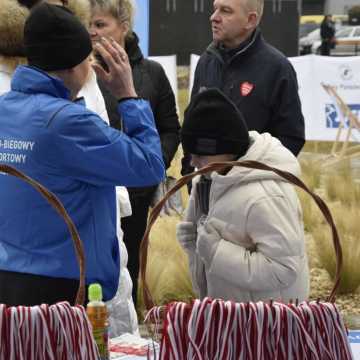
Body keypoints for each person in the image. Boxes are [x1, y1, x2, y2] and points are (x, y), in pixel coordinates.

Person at [0, 3, 165, 306]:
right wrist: (128, 95)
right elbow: (150, 165)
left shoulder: (4, 109)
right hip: (63, 286)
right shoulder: (68, 123)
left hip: (7, 274)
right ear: (76, 66)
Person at [177, 88, 309, 303]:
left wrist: (214, 250)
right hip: (231, 320)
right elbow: (204, 240)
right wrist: (191, 239)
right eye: (190, 154)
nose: (193, 163)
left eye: (200, 155)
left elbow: (282, 269)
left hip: (266, 326)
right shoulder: (208, 178)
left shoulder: (267, 196)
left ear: (228, 148)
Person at [89, 0, 181, 304]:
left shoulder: (152, 73)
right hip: (93, 191)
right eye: (88, 24)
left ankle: (126, 333)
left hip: (137, 194)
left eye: (100, 24)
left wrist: (153, 167)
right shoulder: (79, 73)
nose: (92, 31)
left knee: (128, 266)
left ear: (124, 27)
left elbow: (170, 127)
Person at [182, 0, 305, 181]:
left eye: (225, 11)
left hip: (252, 193)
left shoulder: (277, 68)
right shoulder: (206, 62)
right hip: (206, 193)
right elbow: (191, 124)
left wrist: (253, 178)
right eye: (215, 9)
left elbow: (291, 137)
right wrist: (191, 177)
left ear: (250, 20)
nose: (214, 17)